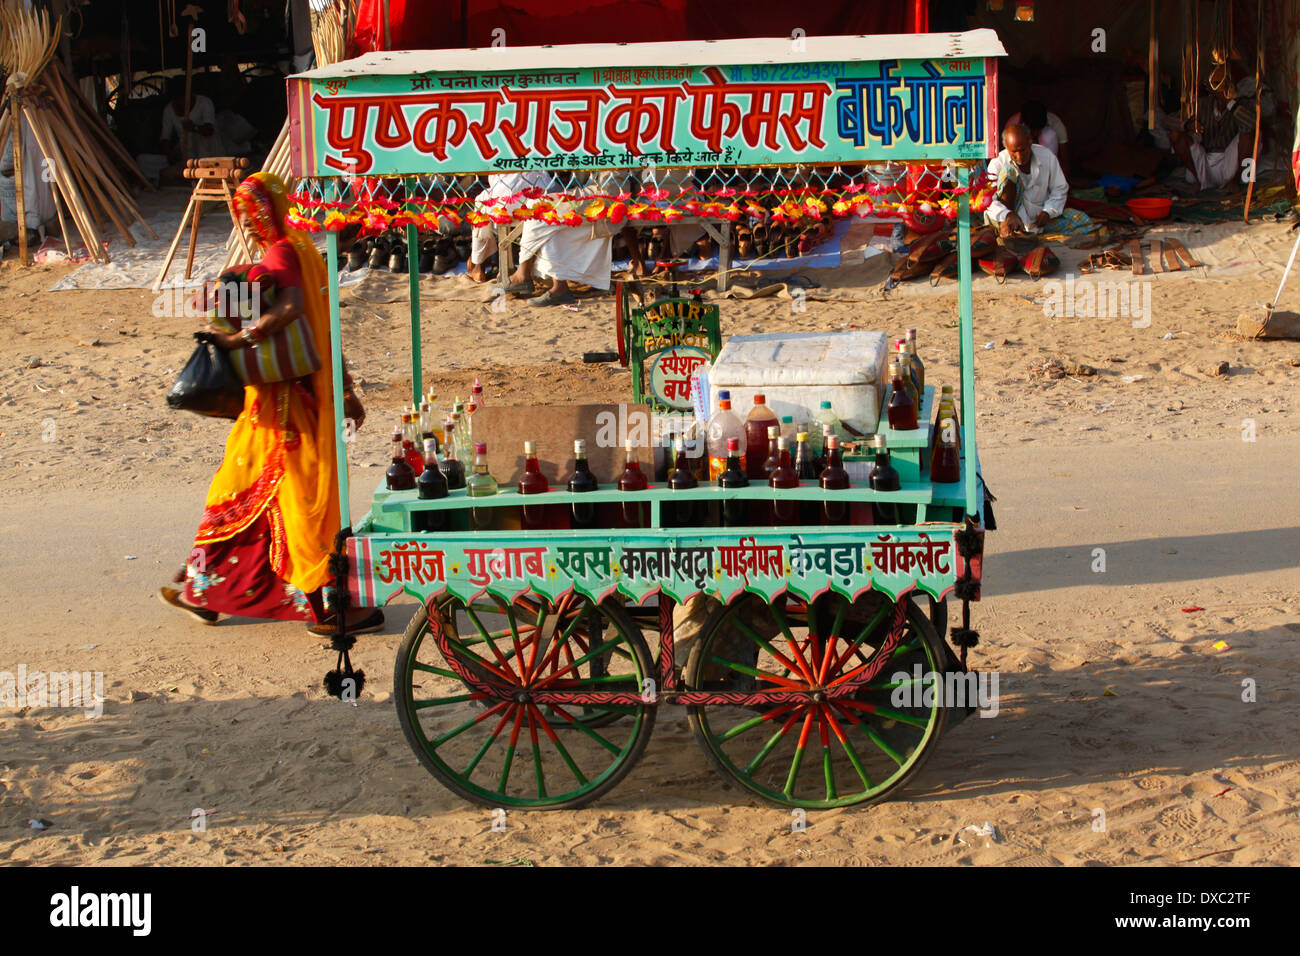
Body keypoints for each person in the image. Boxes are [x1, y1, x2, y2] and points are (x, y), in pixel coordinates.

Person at [158, 172, 383, 636]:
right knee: (267, 496)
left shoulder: (282, 252)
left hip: (283, 406)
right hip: (291, 399)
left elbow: (295, 310)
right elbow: (327, 330)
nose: (247, 221)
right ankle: (212, 588)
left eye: (247, 213)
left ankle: (214, 588)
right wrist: (345, 389)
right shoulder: (305, 251)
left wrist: (237, 337)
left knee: (276, 497)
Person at [986, 123, 1091, 236]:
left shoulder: (1047, 156)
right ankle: (1007, 228)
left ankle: (1028, 233)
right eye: (1014, 152)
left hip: (1038, 220)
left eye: (1023, 150)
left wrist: (1048, 211)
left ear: (1030, 142)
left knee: (1082, 220)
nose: (1019, 156)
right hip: (1007, 218)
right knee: (1008, 172)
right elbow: (987, 200)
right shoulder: (998, 163)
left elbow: (1060, 188)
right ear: (1006, 147)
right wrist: (1007, 214)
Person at [1006, 100, 1070, 174]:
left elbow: (1065, 161)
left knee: (1049, 135)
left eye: (1038, 130)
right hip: (1021, 172)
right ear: (1022, 122)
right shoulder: (1012, 125)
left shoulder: (1055, 126)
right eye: (1032, 130)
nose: (1035, 134)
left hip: (1047, 173)